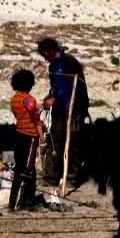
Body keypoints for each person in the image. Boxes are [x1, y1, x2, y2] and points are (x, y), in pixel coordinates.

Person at [37, 37, 90, 191]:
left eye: (44, 53)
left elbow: (69, 87)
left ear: (50, 51)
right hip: (59, 110)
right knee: (54, 140)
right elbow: (55, 87)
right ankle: (50, 177)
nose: (43, 57)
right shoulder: (52, 66)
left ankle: (72, 178)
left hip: (75, 109)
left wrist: (54, 98)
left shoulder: (69, 62)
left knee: (73, 144)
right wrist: (49, 97)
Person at [8, 69, 45, 210]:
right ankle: (18, 204)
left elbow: (23, 117)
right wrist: (43, 140)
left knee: (22, 169)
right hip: (30, 137)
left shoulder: (14, 99)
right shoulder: (29, 99)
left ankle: (26, 201)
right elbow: (36, 120)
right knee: (27, 171)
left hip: (18, 134)